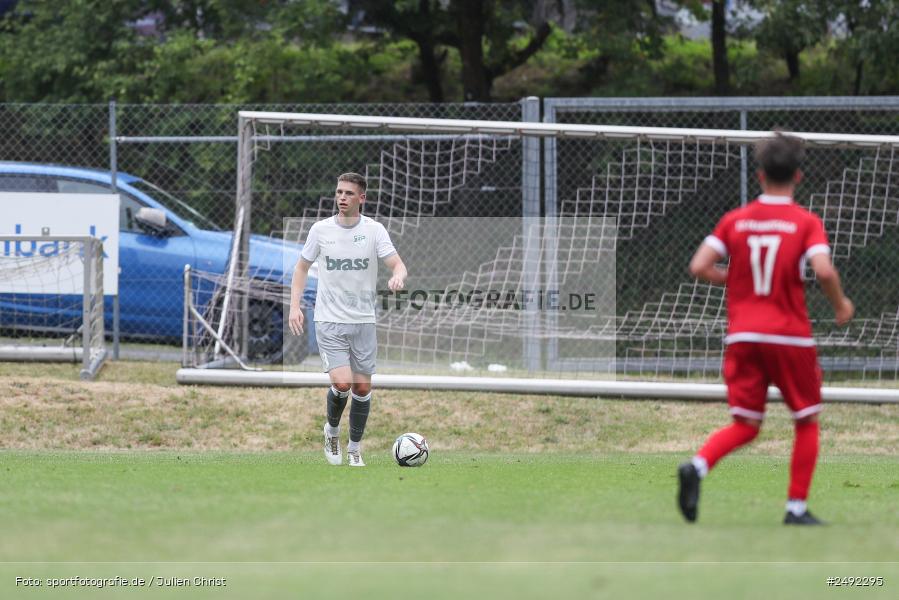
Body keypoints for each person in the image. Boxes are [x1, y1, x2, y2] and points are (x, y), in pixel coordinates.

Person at [678, 132, 854, 525]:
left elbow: (699, 266)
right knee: (806, 420)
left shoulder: (735, 221)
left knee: (746, 424)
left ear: (759, 176)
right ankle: (795, 509)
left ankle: (697, 466)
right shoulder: (805, 222)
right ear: (798, 176)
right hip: (788, 335)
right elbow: (823, 269)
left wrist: (736, 279)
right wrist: (840, 303)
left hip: (743, 336)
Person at [288, 172, 407, 467]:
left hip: (364, 321)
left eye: (349, 193)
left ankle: (354, 447)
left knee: (362, 388)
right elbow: (301, 268)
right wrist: (295, 306)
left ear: (361, 198)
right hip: (329, 320)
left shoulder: (374, 230)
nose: (342, 197)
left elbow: (397, 264)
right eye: (339, 192)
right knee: (343, 383)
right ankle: (331, 431)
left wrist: (398, 276)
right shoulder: (320, 230)